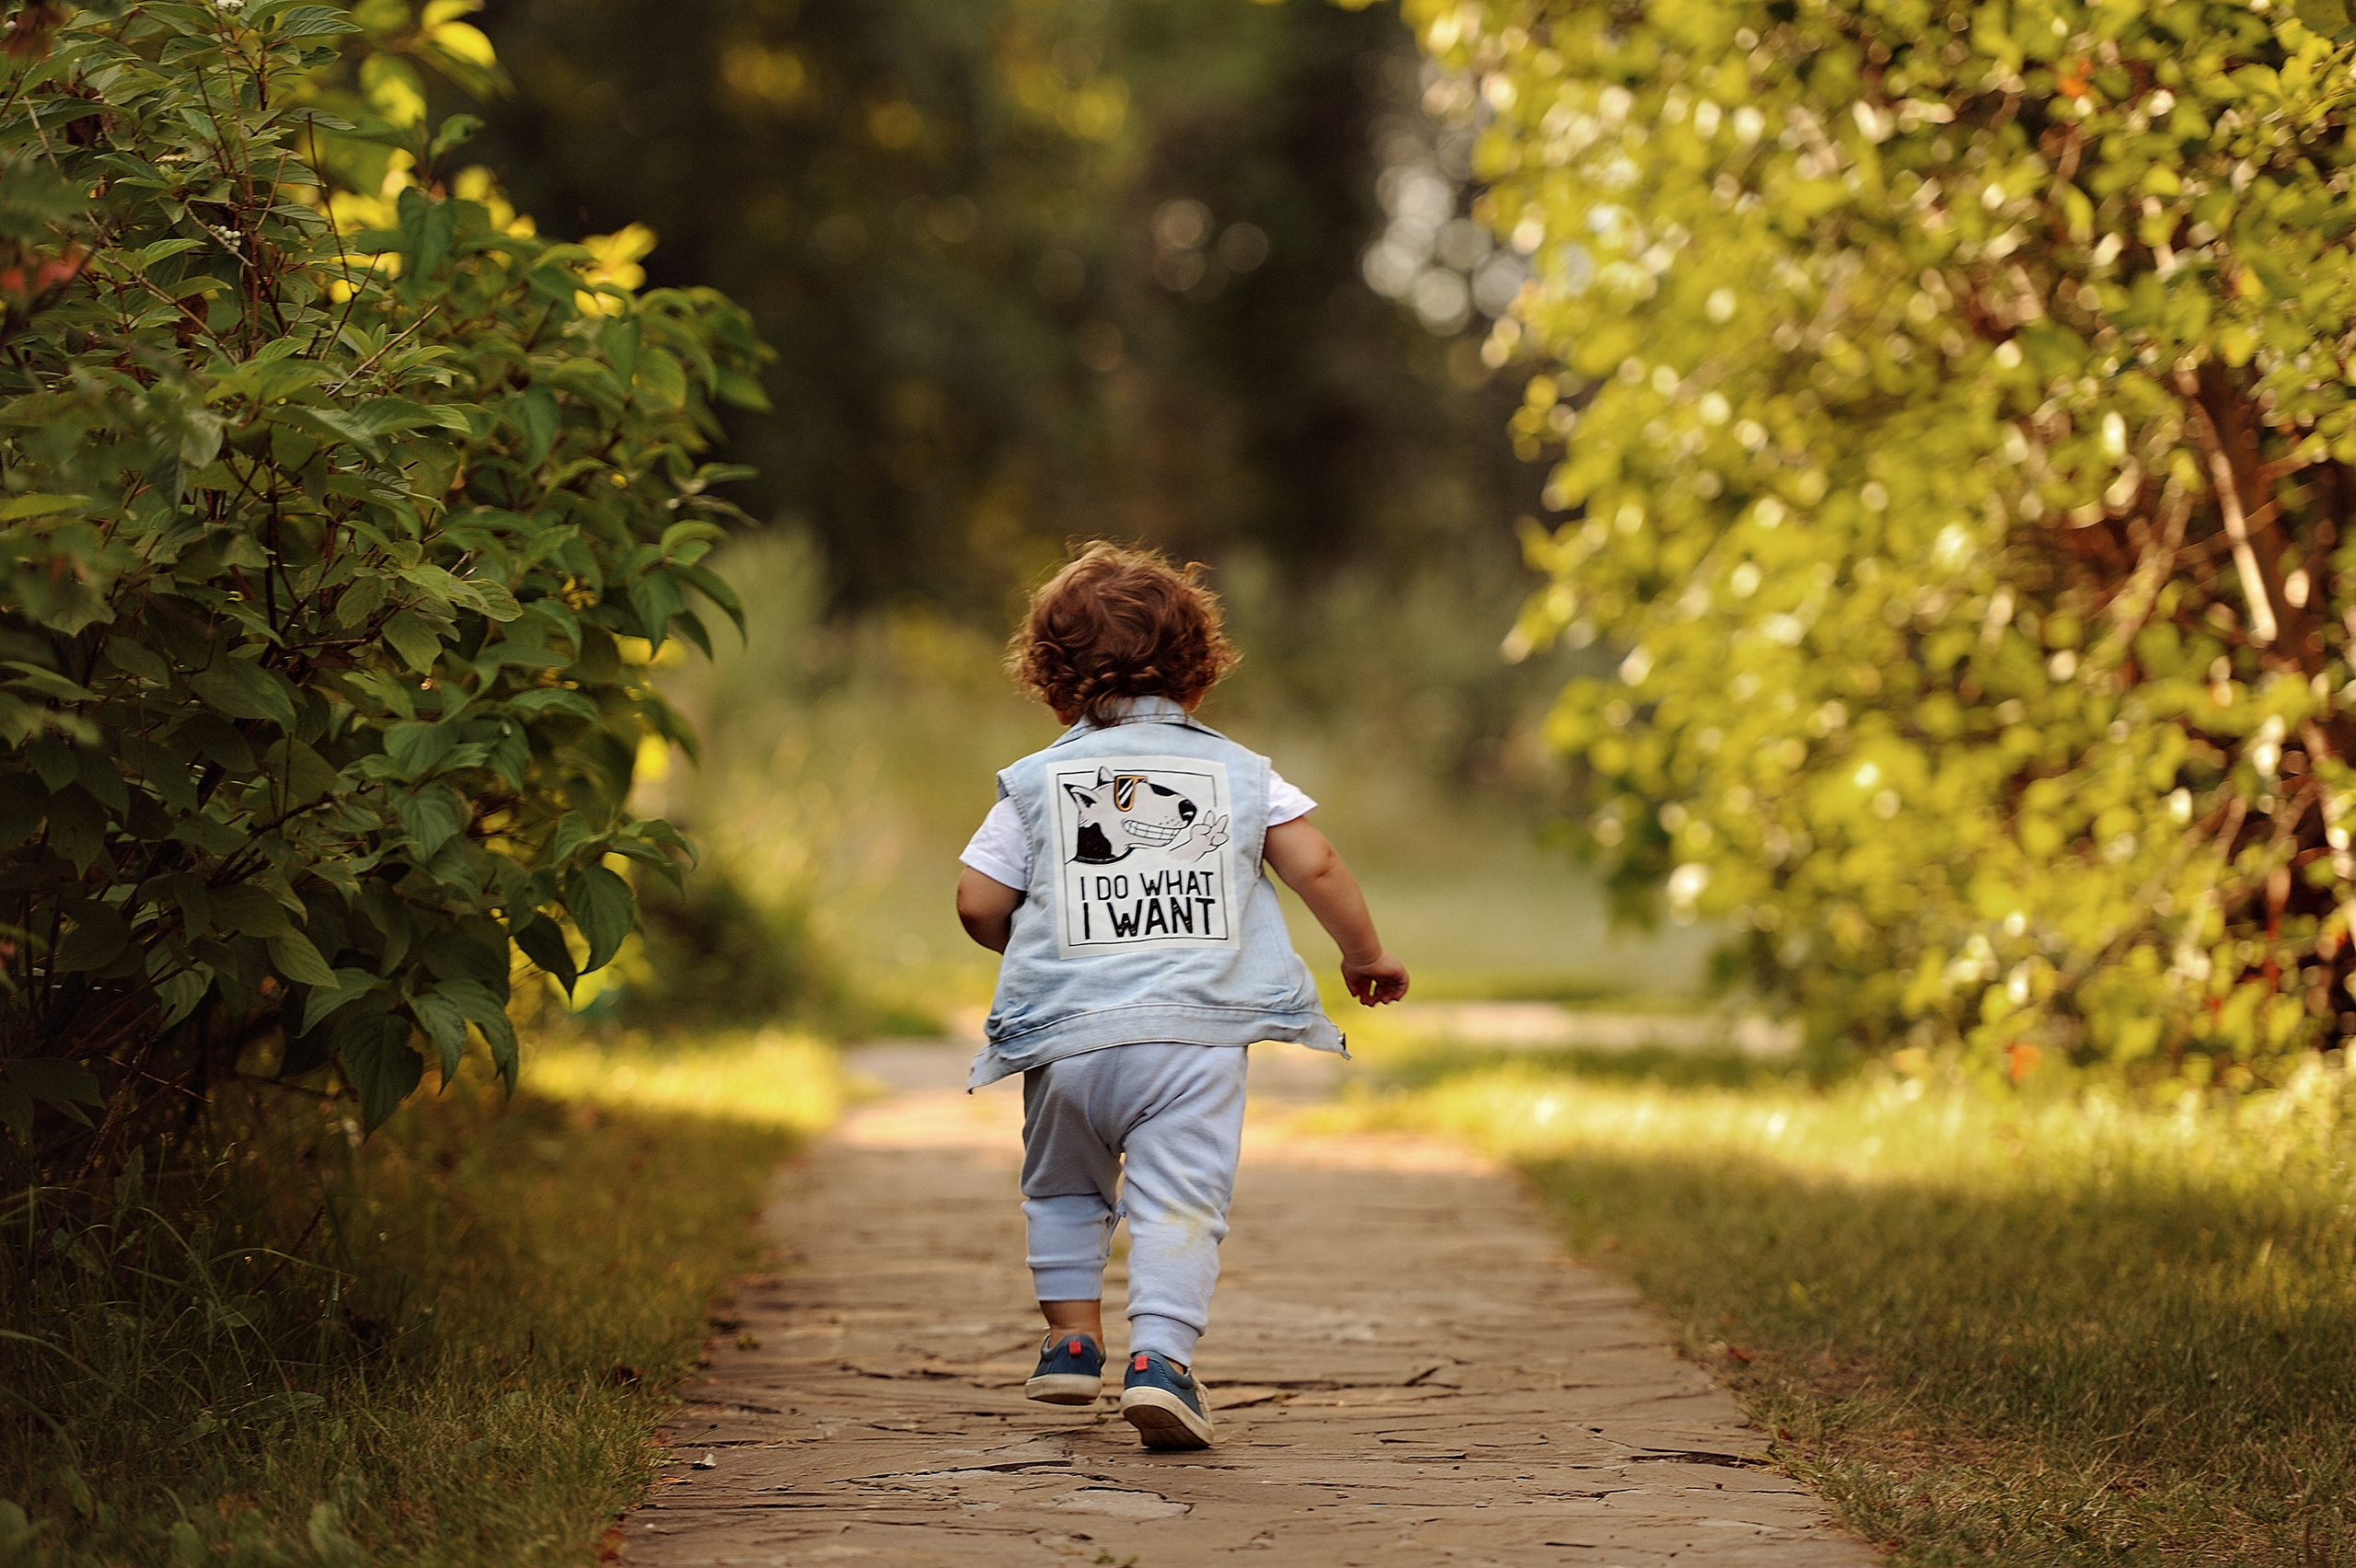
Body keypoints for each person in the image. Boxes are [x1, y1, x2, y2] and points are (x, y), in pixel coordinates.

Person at [953, 541, 1410, 1450]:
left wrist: (1027, 942)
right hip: (1193, 1044)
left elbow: (977, 899)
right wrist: (1364, 953)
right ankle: (1159, 1362)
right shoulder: (1241, 774)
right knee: (1183, 1198)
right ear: (1198, 679)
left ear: (1052, 686)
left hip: (1070, 1041)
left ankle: (1069, 1341)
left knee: (1062, 1187)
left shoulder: (1036, 779)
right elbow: (1313, 860)